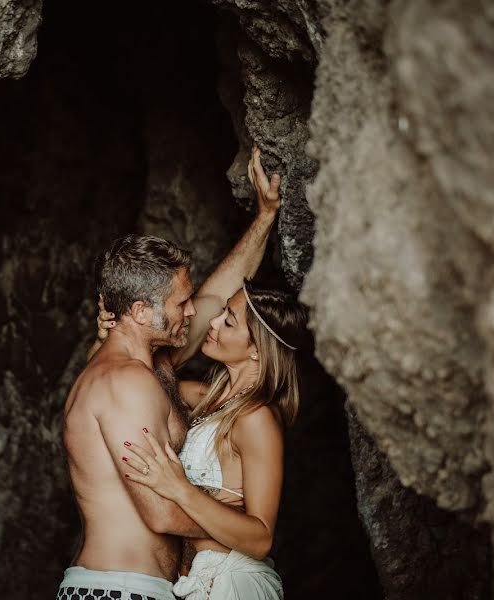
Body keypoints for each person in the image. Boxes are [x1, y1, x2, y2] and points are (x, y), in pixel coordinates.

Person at [57, 147, 283, 600]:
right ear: (141, 312)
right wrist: (240, 532)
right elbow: (159, 512)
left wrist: (264, 218)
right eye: (181, 303)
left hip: (139, 588)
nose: (193, 310)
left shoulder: (153, 365)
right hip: (119, 590)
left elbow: (218, 295)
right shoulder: (125, 381)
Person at [118, 284, 308, 600]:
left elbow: (261, 538)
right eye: (221, 313)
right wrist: (113, 337)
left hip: (231, 582)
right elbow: (139, 381)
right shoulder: (207, 399)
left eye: (229, 321)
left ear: (256, 350)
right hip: (195, 582)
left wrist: (179, 488)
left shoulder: (256, 418)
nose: (214, 323)